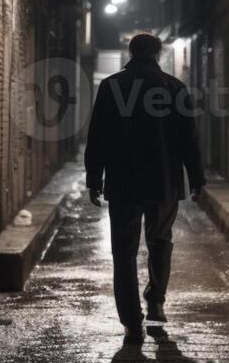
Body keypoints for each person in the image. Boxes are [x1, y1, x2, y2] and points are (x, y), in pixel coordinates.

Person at [84, 32, 206, 344]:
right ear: (158, 53)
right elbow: (189, 140)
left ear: (130, 52)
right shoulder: (174, 87)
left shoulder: (111, 86)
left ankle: (131, 321)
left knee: (124, 252)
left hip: (123, 182)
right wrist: (197, 178)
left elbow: (97, 136)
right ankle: (155, 301)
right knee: (161, 242)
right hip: (163, 182)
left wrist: (94, 179)